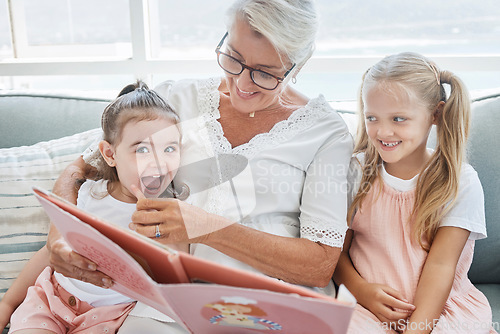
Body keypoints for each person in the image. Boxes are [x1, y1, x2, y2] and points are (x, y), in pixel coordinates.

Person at [44, 0, 353, 332]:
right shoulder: (174, 99)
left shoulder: (326, 132)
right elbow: (83, 169)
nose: (243, 84)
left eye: (265, 73)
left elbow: (320, 265)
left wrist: (208, 227)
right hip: (166, 307)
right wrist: (58, 240)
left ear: (298, 65)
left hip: (266, 311)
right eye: (233, 57)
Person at [2, 81, 186, 333]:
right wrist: (8, 303)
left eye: (169, 149)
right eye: (142, 149)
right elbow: (51, 253)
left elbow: (174, 275)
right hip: (49, 300)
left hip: (107, 317)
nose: (158, 162)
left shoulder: (170, 213)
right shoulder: (89, 194)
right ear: (110, 154)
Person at [333, 52, 497, 334]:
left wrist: (417, 330)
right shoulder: (354, 172)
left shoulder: (460, 181)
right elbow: (334, 252)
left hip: (442, 310)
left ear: (436, 114)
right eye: (373, 117)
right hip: (367, 309)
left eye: (399, 119)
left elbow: (441, 266)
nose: (383, 131)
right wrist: (362, 291)